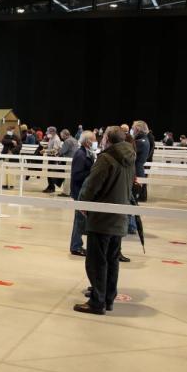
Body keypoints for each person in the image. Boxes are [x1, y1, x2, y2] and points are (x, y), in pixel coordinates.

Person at [74, 126, 136, 315]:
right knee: (112, 260)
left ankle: (97, 302)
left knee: (97, 262)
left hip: (102, 219)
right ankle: (108, 298)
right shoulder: (129, 158)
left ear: (107, 139)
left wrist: (83, 203)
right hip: (119, 217)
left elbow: (92, 185)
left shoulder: (106, 158)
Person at [69, 131, 96, 256]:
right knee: (79, 220)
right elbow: (76, 175)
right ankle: (76, 246)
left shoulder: (86, 153)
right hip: (79, 191)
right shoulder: (80, 154)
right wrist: (92, 172)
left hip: (83, 191)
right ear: (87, 141)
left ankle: (77, 245)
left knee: (80, 220)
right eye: (94, 140)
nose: (95, 142)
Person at [53, 129, 79, 196]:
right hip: (75, 160)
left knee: (67, 177)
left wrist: (58, 151)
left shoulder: (67, 141)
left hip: (68, 160)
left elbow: (63, 151)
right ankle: (70, 191)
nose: (61, 137)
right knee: (70, 177)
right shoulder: (74, 139)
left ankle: (66, 192)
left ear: (65, 135)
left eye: (62, 135)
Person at [132, 121, 151, 202]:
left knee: (134, 198)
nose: (132, 130)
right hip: (139, 169)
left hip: (136, 171)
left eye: (133, 128)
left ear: (137, 129)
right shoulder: (144, 139)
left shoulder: (140, 142)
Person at [0, 124, 21, 190]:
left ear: (13, 130)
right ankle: (5, 184)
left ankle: (11, 184)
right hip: (5, 155)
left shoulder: (16, 137)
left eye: (10, 130)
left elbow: (20, 146)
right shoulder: (6, 136)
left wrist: (12, 151)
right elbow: (3, 141)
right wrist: (11, 141)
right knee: (5, 171)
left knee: (12, 171)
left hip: (13, 156)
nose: (8, 131)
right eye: (8, 130)